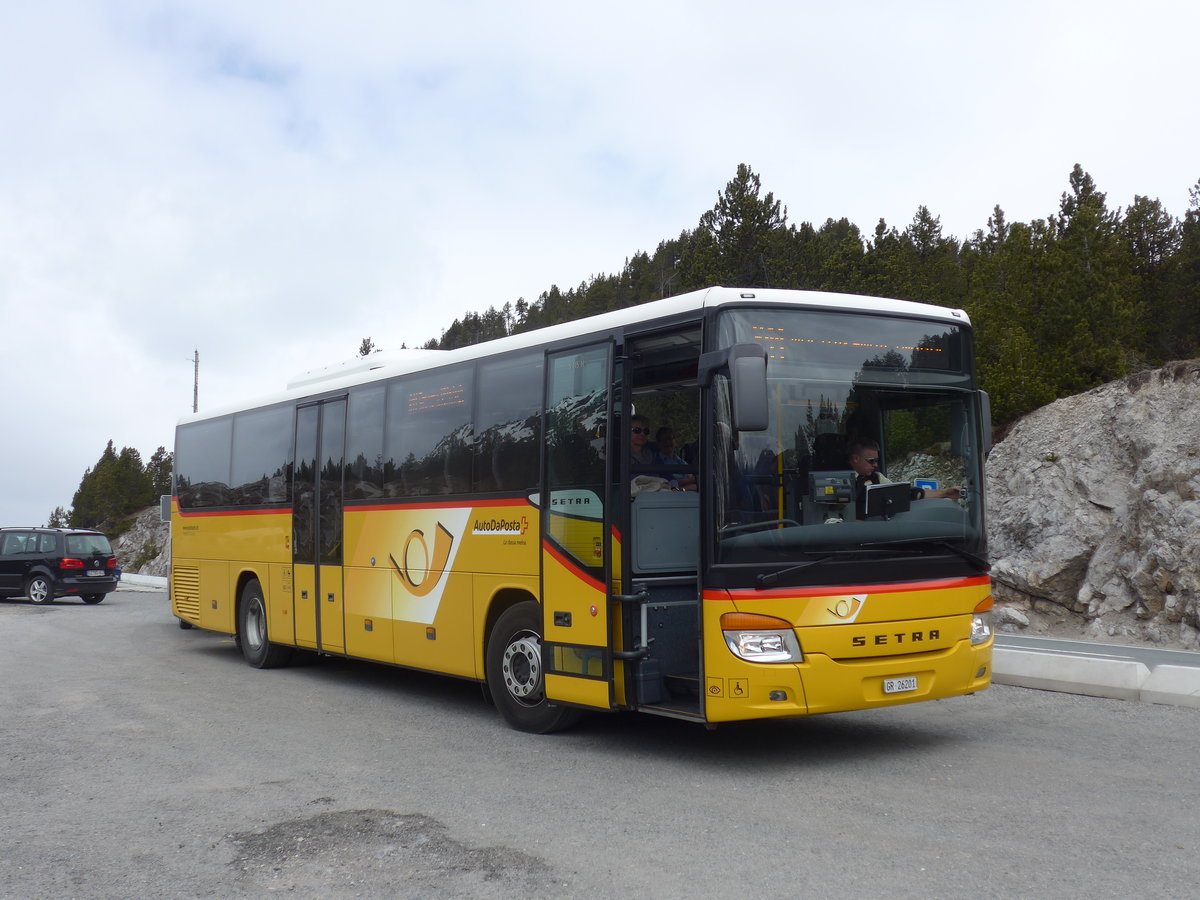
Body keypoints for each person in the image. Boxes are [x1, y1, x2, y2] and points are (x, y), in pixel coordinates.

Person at [847, 438, 962, 514]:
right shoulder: (836, 481)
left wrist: (945, 493)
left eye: (877, 460)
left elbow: (907, 494)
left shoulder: (877, 478)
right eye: (871, 461)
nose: (876, 465)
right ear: (856, 459)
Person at [654, 427, 697, 491]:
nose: (668, 442)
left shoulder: (680, 461)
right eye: (664, 439)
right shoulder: (656, 461)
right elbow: (665, 482)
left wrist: (685, 484)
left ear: (675, 442)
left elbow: (693, 478)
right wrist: (688, 482)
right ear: (658, 443)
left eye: (670, 439)